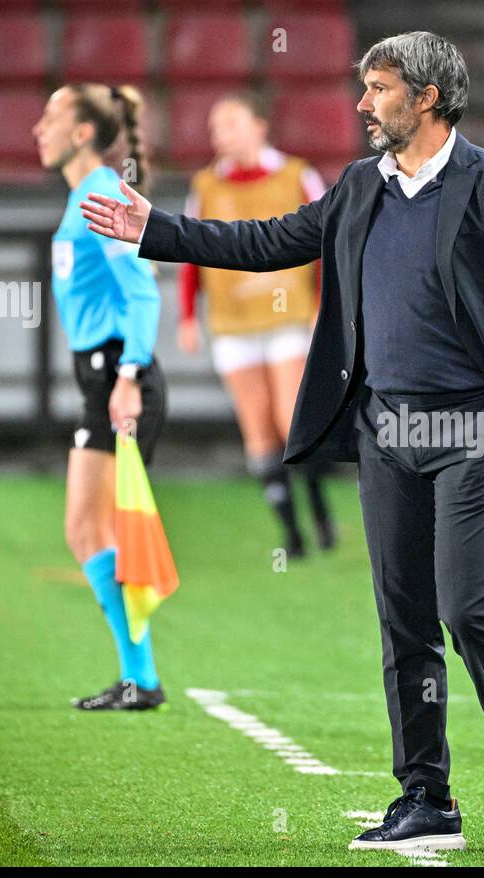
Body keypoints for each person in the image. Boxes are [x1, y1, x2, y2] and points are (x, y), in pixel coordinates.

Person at [80, 31, 484, 853]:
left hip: (472, 434)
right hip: (387, 431)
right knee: (405, 620)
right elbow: (266, 241)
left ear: (425, 97)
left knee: (467, 607)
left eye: (378, 88)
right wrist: (154, 230)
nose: (361, 104)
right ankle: (427, 796)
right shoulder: (358, 187)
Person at [33, 83, 168, 711]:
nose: (39, 128)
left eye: (52, 117)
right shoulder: (87, 194)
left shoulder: (102, 192)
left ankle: (141, 676)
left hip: (119, 373)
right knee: (94, 532)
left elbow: (143, 290)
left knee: (89, 530)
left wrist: (129, 375)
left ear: (83, 132)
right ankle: (138, 676)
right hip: (102, 373)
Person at [176, 92, 335, 559]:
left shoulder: (296, 175)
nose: (220, 135)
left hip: (288, 314)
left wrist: (323, 302)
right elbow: (190, 250)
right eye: (214, 128)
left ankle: (320, 509)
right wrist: (188, 315)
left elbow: (330, 239)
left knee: (291, 418)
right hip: (232, 321)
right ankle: (292, 533)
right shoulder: (206, 185)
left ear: (259, 125)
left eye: (229, 123)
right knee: (258, 429)